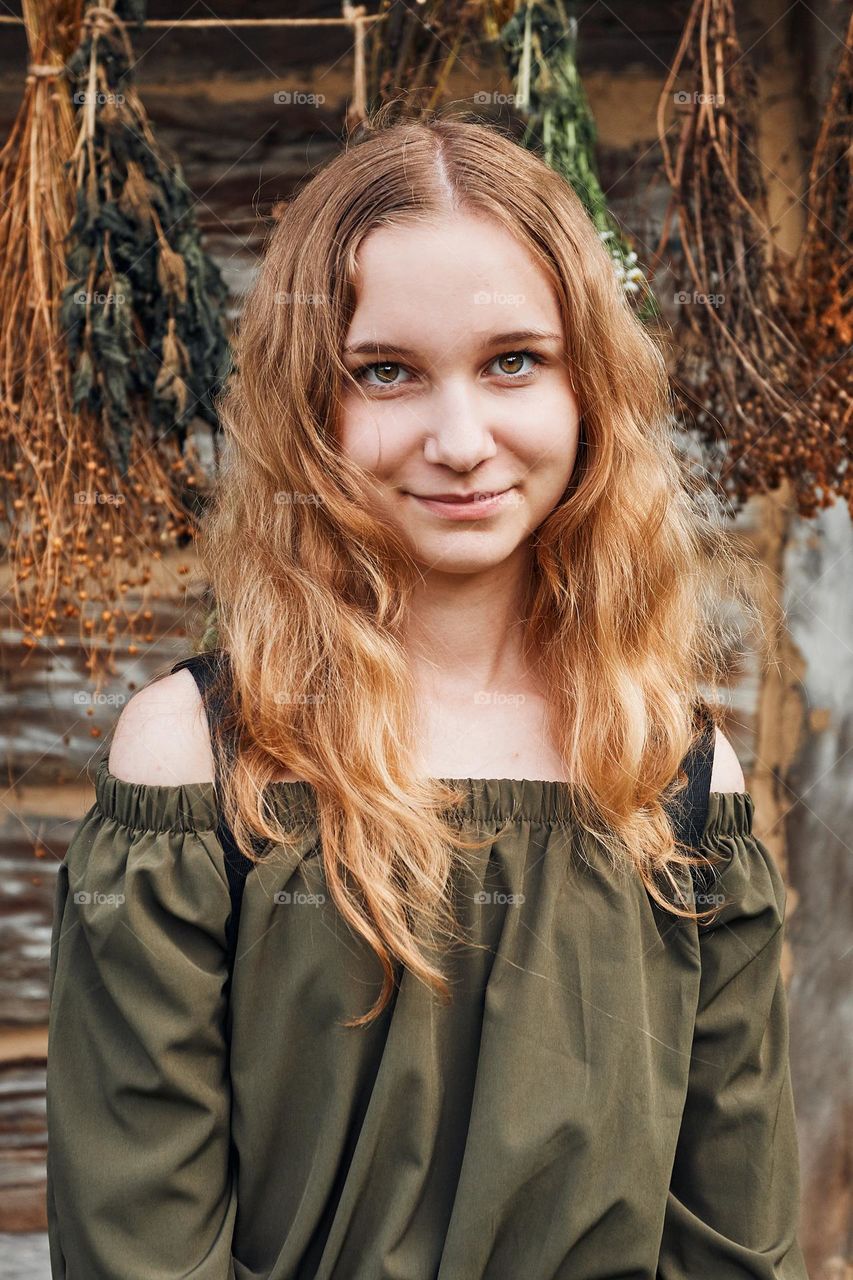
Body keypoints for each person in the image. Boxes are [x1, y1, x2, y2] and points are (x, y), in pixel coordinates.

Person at [46, 110, 808, 1279]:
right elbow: (138, 1241)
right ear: (311, 403)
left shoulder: (677, 773)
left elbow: (733, 1233)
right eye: (386, 371)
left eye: (513, 360)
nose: (461, 438)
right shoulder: (202, 763)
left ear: (587, 386)